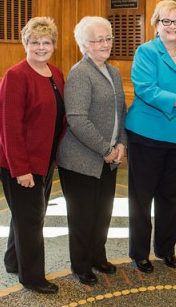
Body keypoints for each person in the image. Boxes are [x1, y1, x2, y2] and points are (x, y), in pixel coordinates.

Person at [125, 0, 176, 274]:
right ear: (156, 25)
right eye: (166, 21)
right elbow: (145, 88)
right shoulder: (146, 51)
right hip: (148, 135)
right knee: (142, 197)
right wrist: (174, 100)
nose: (172, 26)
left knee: (171, 196)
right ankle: (140, 253)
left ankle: (166, 249)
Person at [0, 17, 64, 294]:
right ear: (25, 43)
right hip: (19, 162)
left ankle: (14, 261)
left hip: (44, 160)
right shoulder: (16, 75)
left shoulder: (55, 73)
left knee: (25, 216)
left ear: (54, 45)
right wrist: (20, 169)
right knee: (32, 219)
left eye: (46, 42)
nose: (40, 47)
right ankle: (32, 277)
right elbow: (9, 127)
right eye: (34, 42)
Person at [57, 16, 127, 286]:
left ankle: (98, 257)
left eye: (108, 38)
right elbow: (76, 118)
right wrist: (106, 149)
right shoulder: (79, 73)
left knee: (102, 213)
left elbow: (121, 112)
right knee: (83, 217)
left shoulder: (113, 72)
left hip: (107, 159)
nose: (105, 44)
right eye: (98, 40)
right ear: (84, 45)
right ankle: (82, 265)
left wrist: (121, 144)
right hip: (80, 162)